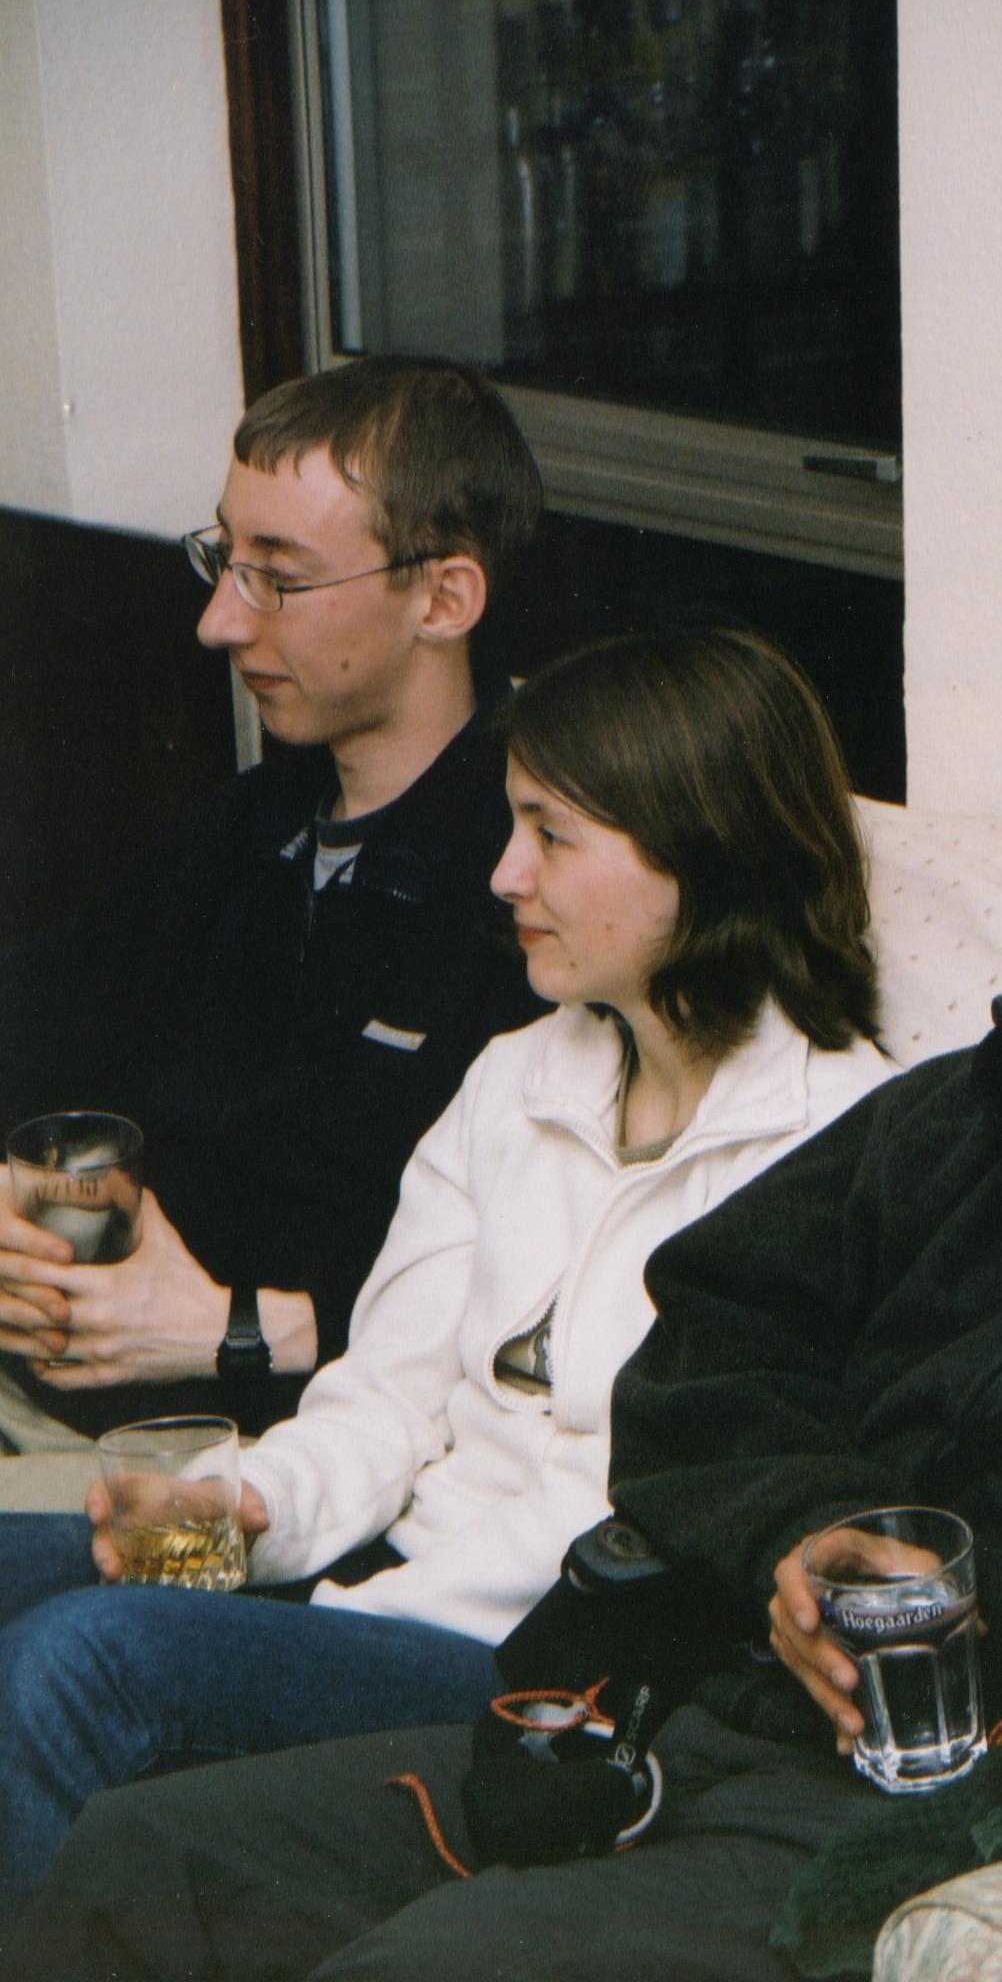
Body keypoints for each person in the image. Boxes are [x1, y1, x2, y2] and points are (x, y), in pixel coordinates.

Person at [6, 832, 1002, 1982]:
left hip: (929, 1813)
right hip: (655, 1695)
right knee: (146, 1863)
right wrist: (797, 1524)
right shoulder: (997, 1119)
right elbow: (709, 1331)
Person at [0, 623, 895, 1926]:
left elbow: (641, 1509)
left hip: (525, 1657)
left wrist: (325, 1611)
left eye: (550, 836)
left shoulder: (845, 1146)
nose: (503, 874)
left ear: (704, 854)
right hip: (368, 1580)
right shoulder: (518, 1077)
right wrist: (242, 1509)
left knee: (84, 1662)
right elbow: (387, 1392)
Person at [0, 357, 546, 1483]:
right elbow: (33, 1014)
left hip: (273, 1470)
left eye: (278, 580)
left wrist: (233, 1328)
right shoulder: (244, 831)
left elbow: (545, 1294)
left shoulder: (527, 891)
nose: (217, 623)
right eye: (223, 561)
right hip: (57, 1401)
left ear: (444, 600)